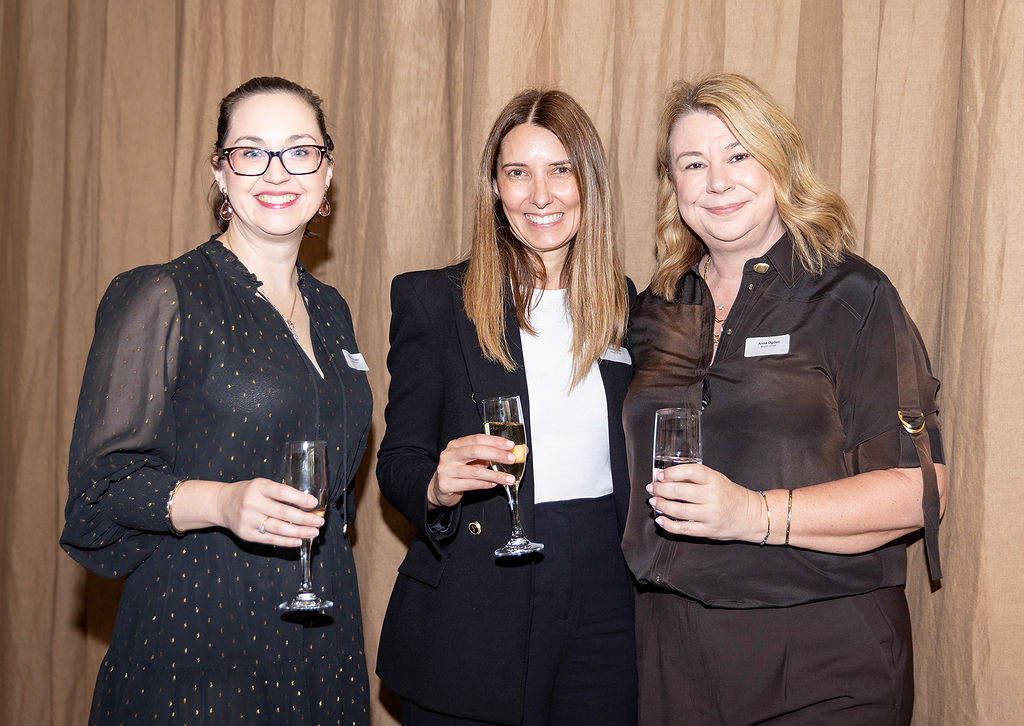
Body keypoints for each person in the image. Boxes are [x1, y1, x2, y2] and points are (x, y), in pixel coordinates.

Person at [622, 71, 948, 725]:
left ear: (779, 163)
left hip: (821, 654)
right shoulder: (658, 307)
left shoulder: (851, 297)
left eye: (738, 154)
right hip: (672, 650)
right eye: (694, 163)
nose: (717, 181)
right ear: (674, 184)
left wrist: (755, 514)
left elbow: (923, 490)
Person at [60, 76, 372, 725]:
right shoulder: (163, 295)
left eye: (299, 151)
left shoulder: (331, 310)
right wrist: (222, 502)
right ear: (220, 173)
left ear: (327, 173)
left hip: (320, 635)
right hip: (198, 640)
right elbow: (99, 494)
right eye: (251, 152)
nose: (277, 172)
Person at [376, 89, 637, 725]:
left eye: (560, 170)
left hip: (607, 594)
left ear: (589, 183)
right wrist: (436, 485)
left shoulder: (625, 303)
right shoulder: (436, 301)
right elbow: (398, 459)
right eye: (518, 173)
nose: (540, 195)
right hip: (478, 601)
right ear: (495, 188)